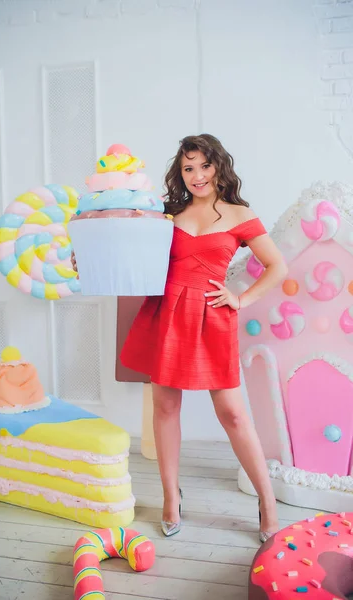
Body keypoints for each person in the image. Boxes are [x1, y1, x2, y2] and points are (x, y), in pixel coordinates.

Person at [73, 134, 288, 542]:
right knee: (166, 408)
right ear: (180, 173)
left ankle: (268, 501)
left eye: (204, 166)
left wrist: (240, 299)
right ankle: (171, 497)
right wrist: (88, 256)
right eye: (188, 168)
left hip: (211, 319)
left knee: (234, 415)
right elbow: (126, 250)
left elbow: (277, 266)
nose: (197, 176)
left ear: (219, 166)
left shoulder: (240, 214)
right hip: (166, 314)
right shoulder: (164, 213)